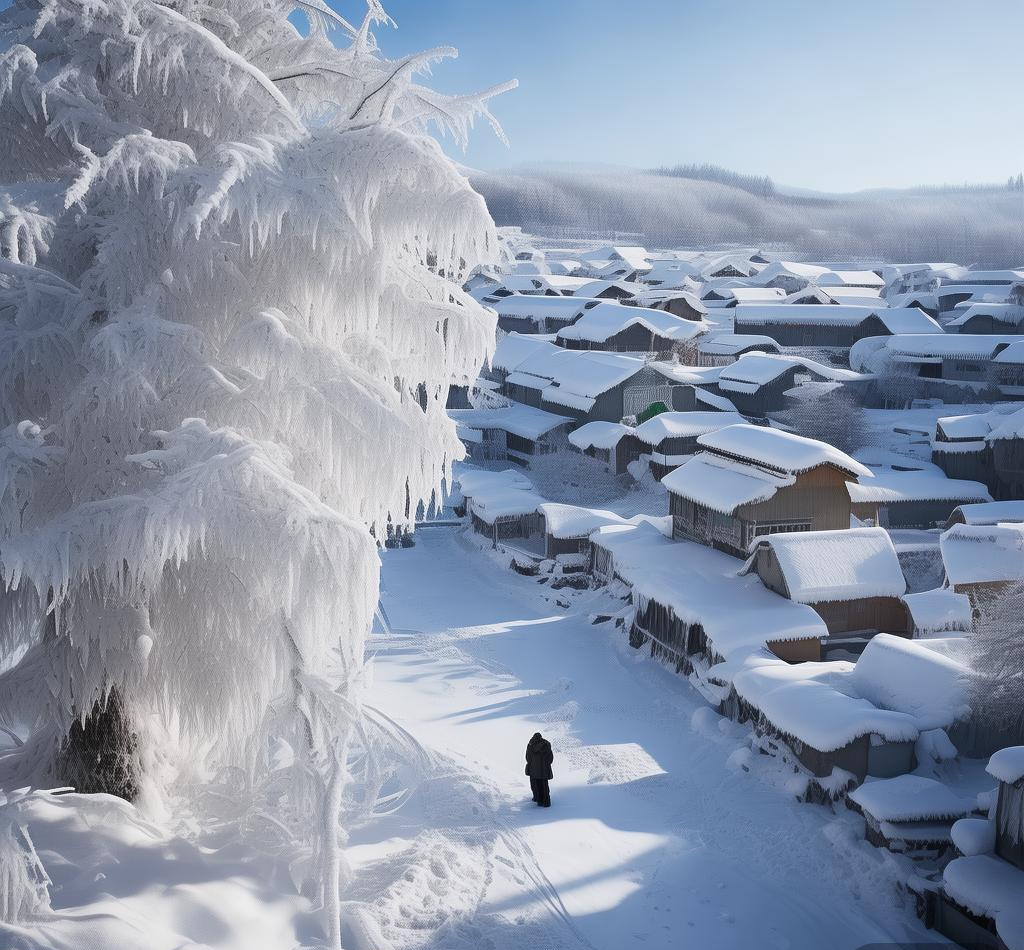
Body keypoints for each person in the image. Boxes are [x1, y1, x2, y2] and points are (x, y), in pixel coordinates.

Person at [525, 731, 553, 807]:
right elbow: (550, 758)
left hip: (534, 770)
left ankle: (539, 801)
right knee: (545, 785)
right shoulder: (546, 744)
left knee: (536, 785)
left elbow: (528, 758)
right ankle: (546, 802)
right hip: (544, 769)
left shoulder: (530, 744)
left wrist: (532, 764)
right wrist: (546, 764)